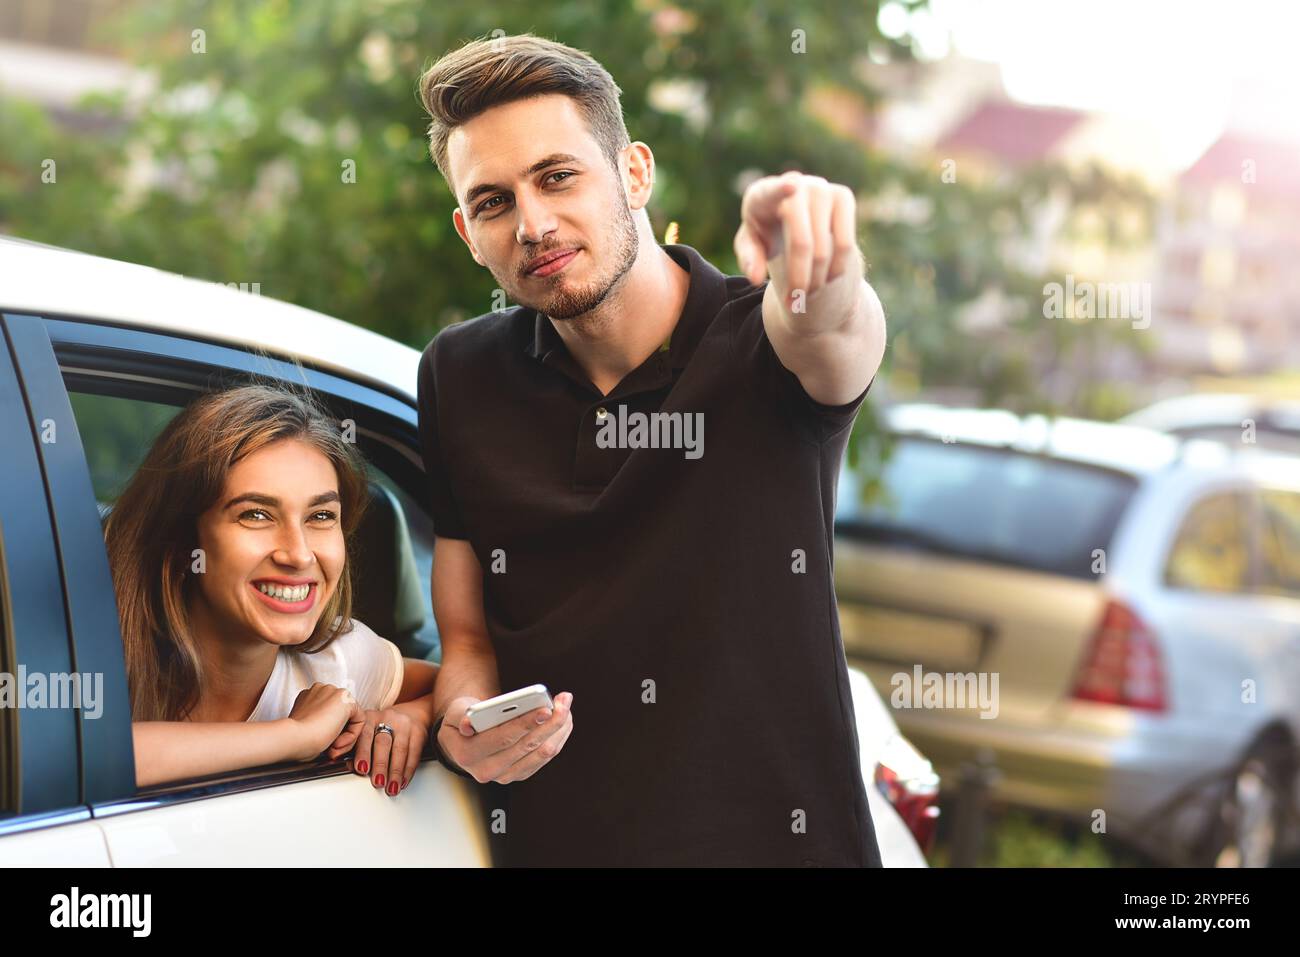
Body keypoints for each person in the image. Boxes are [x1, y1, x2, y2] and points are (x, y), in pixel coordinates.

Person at [416, 33, 887, 866]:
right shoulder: (460, 374)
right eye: (492, 202)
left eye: (558, 176)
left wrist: (814, 258)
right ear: (467, 232)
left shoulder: (763, 344)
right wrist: (462, 728)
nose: (533, 223)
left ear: (634, 173)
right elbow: (469, 647)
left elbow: (833, 323)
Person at [105, 382, 439, 793]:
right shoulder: (94, 653)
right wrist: (295, 735)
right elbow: (82, 760)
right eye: (257, 514)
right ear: (181, 538)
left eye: (320, 516)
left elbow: (463, 685)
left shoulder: (339, 659)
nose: (298, 555)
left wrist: (412, 718)